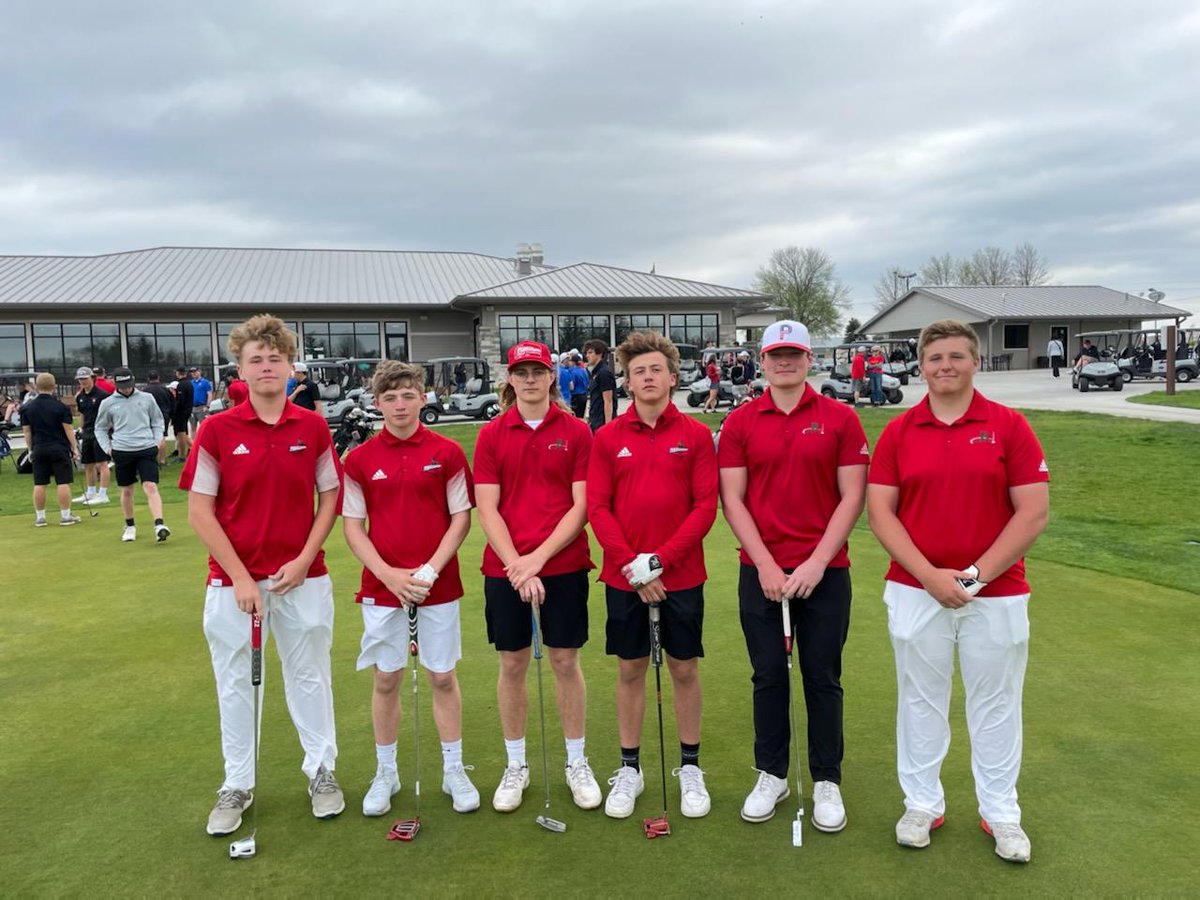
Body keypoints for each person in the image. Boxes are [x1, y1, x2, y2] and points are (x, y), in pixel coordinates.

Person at [866, 319, 1049, 864]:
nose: (944, 366)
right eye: (934, 357)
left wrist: (970, 579)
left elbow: (1033, 513)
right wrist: (929, 576)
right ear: (920, 365)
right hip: (916, 589)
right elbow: (880, 512)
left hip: (995, 593)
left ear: (975, 362)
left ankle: (1002, 813)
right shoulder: (899, 432)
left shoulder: (1009, 426)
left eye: (956, 357)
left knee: (995, 705)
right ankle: (922, 804)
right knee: (920, 701)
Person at [180, 315, 345, 836]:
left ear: (291, 366)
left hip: (304, 577)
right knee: (235, 686)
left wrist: (302, 559)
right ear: (241, 369)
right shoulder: (217, 429)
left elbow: (330, 497)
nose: (267, 367)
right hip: (234, 584)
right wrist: (242, 579)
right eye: (257, 360)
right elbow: (200, 512)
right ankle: (237, 784)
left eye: (276, 359)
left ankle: (321, 772)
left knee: (310, 677)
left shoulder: (312, 426)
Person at [718, 320, 869, 833]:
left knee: (823, 677)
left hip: (825, 571)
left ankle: (827, 779)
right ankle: (772, 774)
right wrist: (763, 561)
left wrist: (816, 562)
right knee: (767, 677)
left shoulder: (840, 418)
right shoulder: (740, 423)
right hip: (759, 572)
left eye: (794, 355)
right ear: (762, 362)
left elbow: (852, 496)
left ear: (810, 361)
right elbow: (732, 499)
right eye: (776, 355)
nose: (785, 363)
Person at [587, 332, 718, 820]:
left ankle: (689, 766)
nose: (647, 377)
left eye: (656, 370)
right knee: (630, 668)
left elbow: (706, 506)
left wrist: (659, 561)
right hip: (624, 580)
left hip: (681, 574)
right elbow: (598, 508)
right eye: (638, 370)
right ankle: (630, 768)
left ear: (671, 376)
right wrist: (633, 567)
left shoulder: (696, 435)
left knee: (684, 668)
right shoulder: (607, 438)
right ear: (627, 378)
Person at [341, 361, 480, 816]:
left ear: (424, 398)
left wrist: (430, 570)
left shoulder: (449, 452)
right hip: (383, 585)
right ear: (377, 403)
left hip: (436, 583)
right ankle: (386, 772)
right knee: (386, 678)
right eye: (390, 398)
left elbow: (461, 517)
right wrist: (390, 574)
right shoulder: (359, 460)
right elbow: (354, 528)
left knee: (441, 675)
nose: (400, 405)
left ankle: (454, 769)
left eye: (408, 395)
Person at [473, 340, 603, 814]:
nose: (530, 379)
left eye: (538, 371)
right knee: (512, 665)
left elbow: (582, 505)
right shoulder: (492, 434)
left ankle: (575, 761)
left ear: (553, 376)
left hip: (563, 566)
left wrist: (537, 561)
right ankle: (516, 765)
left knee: (565, 662)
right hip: (505, 567)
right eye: (521, 371)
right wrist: (517, 565)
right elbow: (487, 506)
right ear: (510, 379)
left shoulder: (576, 432)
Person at [94, 368, 170, 543]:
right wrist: (107, 448)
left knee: (150, 486)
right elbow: (100, 428)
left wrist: (157, 440)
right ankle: (129, 526)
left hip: (146, 448)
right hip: (122, 450)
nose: (126, 389)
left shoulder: (147, 398)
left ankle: (159, 525)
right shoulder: (108, 403)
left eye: (128, 385)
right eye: (122, 386)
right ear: (115, 384)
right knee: (127, 490)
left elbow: (157, 421)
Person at [21, 373, 81, 527]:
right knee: (63, 482)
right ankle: (65, 516)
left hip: (39, 448)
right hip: (58, 448)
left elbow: (27, 432)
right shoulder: (60, 407)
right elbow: (68, 430)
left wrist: (30, 449)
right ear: (54, 387)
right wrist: (75, 448)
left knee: (40, 483)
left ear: (37, 387)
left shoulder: (27, 407)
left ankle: (40, 517)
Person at [73, 367, 112, 506]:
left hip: (101, 432)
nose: (83, 382)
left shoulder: (103, 395)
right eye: (80, 379)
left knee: (102, 463)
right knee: (88, 464)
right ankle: (91, 492)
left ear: (92, 378)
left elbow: (111, 415)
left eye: (85, 379)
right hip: (88, 432)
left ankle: (103, 494)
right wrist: (81, 428)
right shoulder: (80, 396)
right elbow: (82, 414)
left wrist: (109, 430)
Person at [142, 371, 176, 465]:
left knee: (150, 438)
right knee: (162, 437)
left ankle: (152, 460)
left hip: (149, 416)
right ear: (158, 378)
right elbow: (173, 403)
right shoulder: (165, 389)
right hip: (164, 415)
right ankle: (162, 460)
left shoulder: (145, 391)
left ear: (148, 379)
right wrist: (172, 415)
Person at [585, 340, 618, 431]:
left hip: (602, 421)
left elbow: (608, 401)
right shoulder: (595, 373)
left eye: (590, 352)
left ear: (599, 353)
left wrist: (608, 427)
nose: (587, 355)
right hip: (595, 419)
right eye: (586, 353)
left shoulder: (604, 373)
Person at [171, 366, 194, 461]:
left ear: (178, 373)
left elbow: (179, 401)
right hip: (188, 410)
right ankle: (181, 455)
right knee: (182, 433)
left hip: (181, 412)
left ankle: (185, 454)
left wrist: (174, 412)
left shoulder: (181, 385)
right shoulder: (189, 383)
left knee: (182, 433)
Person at [190, 366, 214, 434]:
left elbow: (209, 394)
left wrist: (207, 406)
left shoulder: (205, 382)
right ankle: (194, 444)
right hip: (192, 408)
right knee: (193, 427)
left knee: (203, 427)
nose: (193, 373)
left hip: (202, 407)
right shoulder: (191, 383)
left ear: (199, 371)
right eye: (192, 372)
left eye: (195, 372)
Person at [569, 353, 590, 419]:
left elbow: (572, 386)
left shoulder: (572, 372)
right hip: (584, 395)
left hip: (576, 396)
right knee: (581, 416)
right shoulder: (584, 371)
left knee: (575, 417)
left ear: (573, 362)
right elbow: (587, 382)